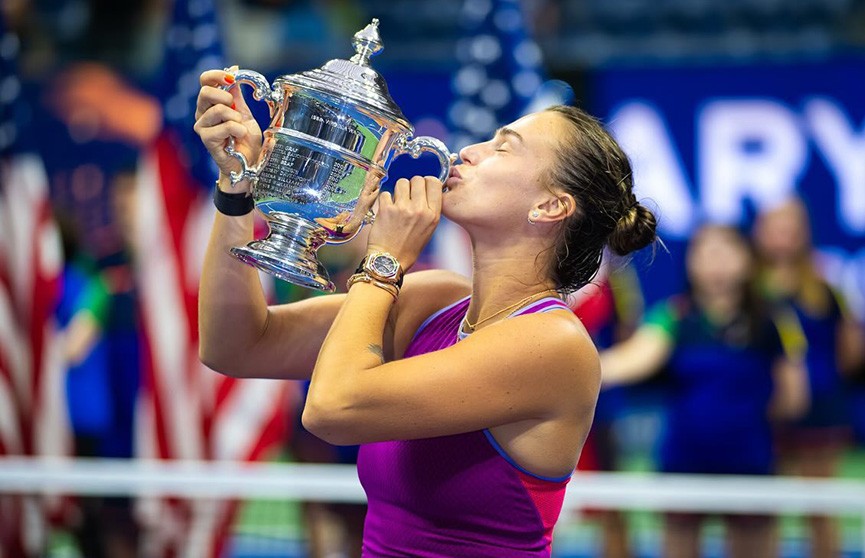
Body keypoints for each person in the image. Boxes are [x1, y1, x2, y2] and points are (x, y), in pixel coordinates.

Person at [193, 68, 657, 556]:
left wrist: (383, 262)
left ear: (549, 206)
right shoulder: (433, 299)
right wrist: (236, 184)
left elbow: (332, 409)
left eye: (503, 146)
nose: (468, 151)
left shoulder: (554, 344)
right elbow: (236, 346)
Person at [599, 224, 808, 558]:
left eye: (725, 251)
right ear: (691, 263)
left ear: (747, 260)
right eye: (706, 252)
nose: (716, 262)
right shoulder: (673, 316)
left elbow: (794, 397)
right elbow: (634, 358)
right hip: (685, 460)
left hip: (750, 461)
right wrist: (579, 371)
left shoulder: (773, 319)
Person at [752, 198, 865, 558]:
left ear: (804, 233)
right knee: (763, 510)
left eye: (790, 228)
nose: (782, 237)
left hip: (821, 409)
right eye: (774, 227)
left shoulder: (827, 283)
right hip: (765, 412)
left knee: (820, 509)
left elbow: (851, 350)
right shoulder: (747, 287)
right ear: (759, 232)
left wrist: (816, 382)